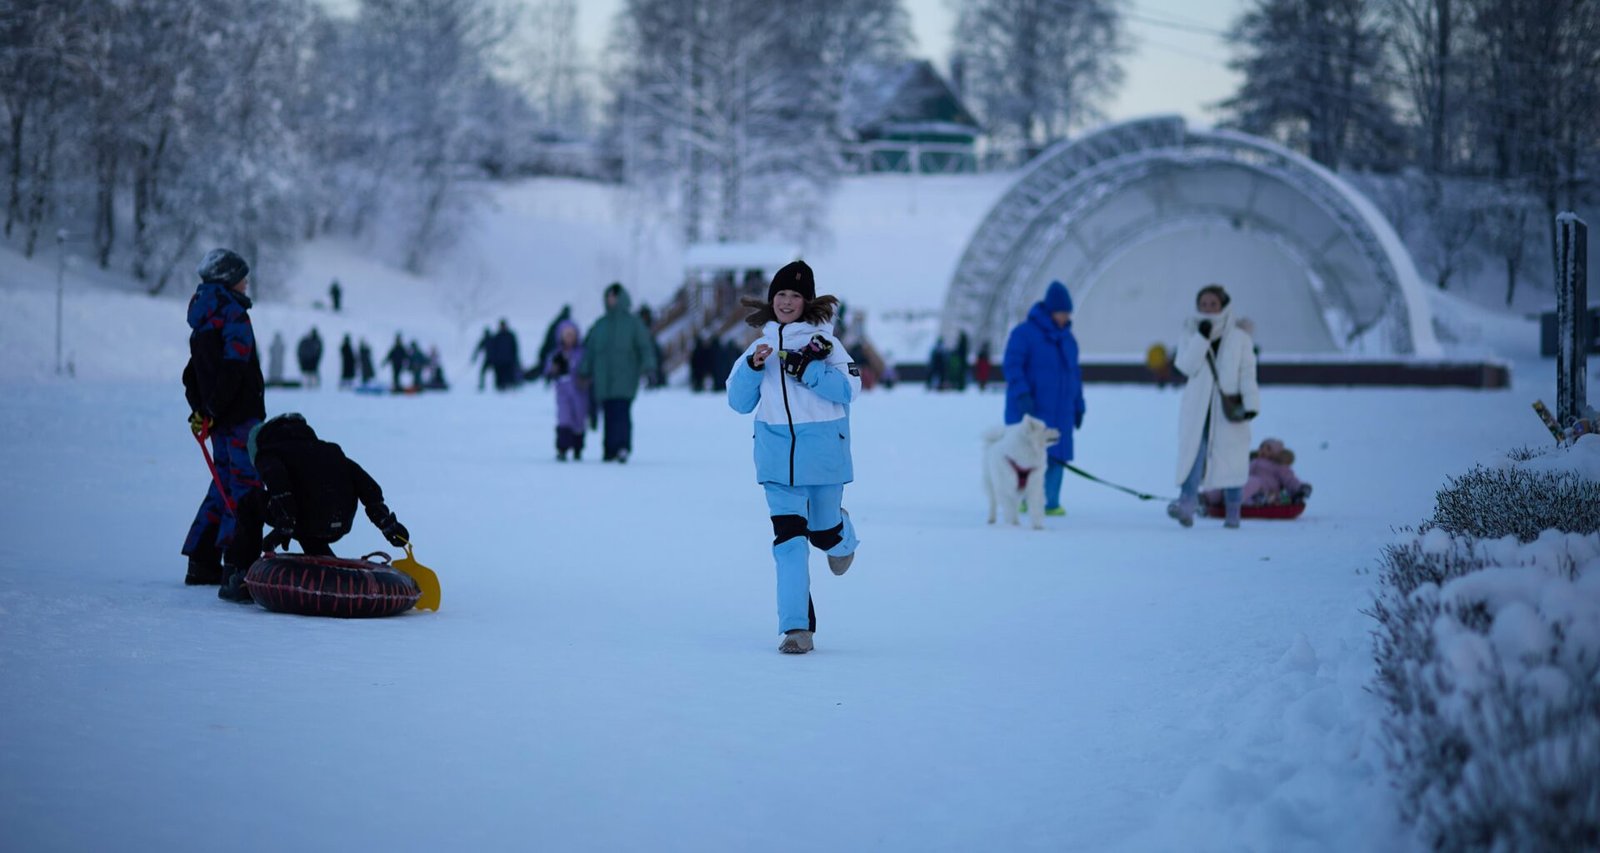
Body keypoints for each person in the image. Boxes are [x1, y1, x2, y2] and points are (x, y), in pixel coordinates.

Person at [726, 260, 861, 655]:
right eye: (781, 294)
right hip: (776, 462)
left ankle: (842, 537)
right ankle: (797, 629)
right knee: (788, 543)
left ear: (807, 301)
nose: (786, 302)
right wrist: (752, 368)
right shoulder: (760, 347)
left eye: (795, 295)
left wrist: (809, 369)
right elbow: (738, 401)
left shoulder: (827, 345)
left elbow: (850, 390)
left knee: (823, 533)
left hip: (823, 459)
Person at [218, 413, 410, 602]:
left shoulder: (268, 453)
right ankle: (325, 562)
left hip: (303, 517)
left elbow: (279, 484)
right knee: (309, 501)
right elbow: (367, 486)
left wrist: (284, 525)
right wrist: (387, 524)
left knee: (249, 502)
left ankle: (239, 574)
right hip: (339, 520)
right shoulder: (329, 451)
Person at [180, 249, 265, 586]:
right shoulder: (233, 314)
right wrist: (211, 409)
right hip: (240, 418)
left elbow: (192, 374)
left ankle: (202, 560)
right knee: (246, 487)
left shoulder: (203, 316)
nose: (246, 283)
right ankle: (239, 566)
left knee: (223, 483)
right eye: (242, 277)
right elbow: (235, 366)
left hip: (219, 419)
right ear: (228, 279)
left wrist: (202, 410)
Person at [1167, 283, 1260, 529]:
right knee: (1193, 455)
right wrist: (1201, 337)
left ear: (1224, 305)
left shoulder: (1239, 337)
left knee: (1232, 458)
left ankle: (1233, 512)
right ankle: (1186, 505)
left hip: (1229, 408)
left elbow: (1247, 372)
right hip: (1198, 408)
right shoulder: (1190, 331)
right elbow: (1186, 366)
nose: (1208, 308)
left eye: (1213, 304)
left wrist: (1251, 403)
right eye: (1203, 304)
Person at [1001, 280, 1085, 517]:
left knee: (1058, 455)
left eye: (1067, 313)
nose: (1065, 317)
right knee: (1027, 455)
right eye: (1061, 312)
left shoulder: (1068, 340)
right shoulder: (1024, 334)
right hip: (1030, 410)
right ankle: (1024, 499)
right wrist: (1022, 394)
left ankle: (1051, 502)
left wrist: (1079, 405)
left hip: (1061, 411)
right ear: (1050, 311)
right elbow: (1012, 366)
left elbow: (1074, 376)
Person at [581, 283, 657, 462]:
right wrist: (584, 371)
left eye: (614, 296)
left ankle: (622, 446)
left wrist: (649, 367)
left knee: (621, 412)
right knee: (608, 414)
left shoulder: (633, 324)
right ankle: (609, 448)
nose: (611, 300)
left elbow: (644, 347)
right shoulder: (601, 324)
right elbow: (590, 351)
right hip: (604, 379)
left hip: (625, 377)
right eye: (609, 297)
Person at [1203, 438, 1311, 508]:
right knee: (1232, 482)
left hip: (1267, 490)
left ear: (1276, 453)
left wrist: (1300, 488)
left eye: (1268, 449)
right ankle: (1207, 497)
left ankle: (1236, 499)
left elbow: (1289, 479)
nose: (1263, 450)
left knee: (1254, 481)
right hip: (1249, 487)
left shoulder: (1279, 466)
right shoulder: (1253, 461)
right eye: (1261, 447)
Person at [544, 319, 588, 461]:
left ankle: (577, 448)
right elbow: (548, 370)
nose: (569, 338)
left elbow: (588, 369)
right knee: (564, 419)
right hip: (563, 393)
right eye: (566, 335)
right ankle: (562, 448)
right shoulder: (557, 354)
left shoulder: (581, 353)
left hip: (580, 393)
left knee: (579, 420)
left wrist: (586, 379)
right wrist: (552, 371)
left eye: (571, 335)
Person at [471, 326, 494, 391]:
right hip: (489, 359)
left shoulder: (491, 339)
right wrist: (474, 357)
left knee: (495, 373)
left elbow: (478, 349)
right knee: (483, 372)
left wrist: (474, 357)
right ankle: (482, 384)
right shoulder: (485, 340)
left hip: (493, 359)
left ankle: (496, 384)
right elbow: (478, 349)